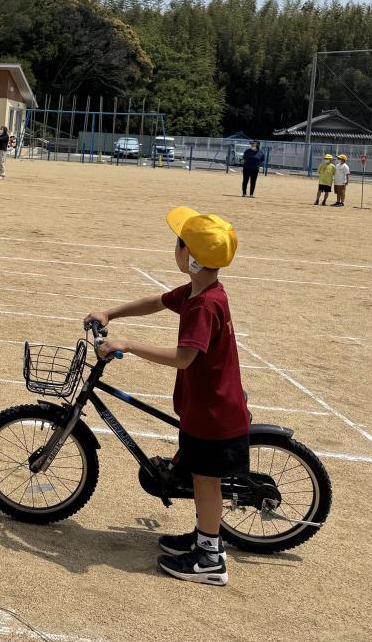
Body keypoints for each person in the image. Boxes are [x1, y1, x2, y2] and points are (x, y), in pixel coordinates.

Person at [85, 206, 247, 586]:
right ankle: (205, 536)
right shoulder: (200, 291)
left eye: (179, 243)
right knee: (200, 477)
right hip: (203, 406)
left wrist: (127, 344)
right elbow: (156, 301)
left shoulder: (204, 305)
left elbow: (183, 358)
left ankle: (210, 560)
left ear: (191, 257)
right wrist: (110, 313)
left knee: (206, 482)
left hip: (213, 413)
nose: (175, 248)